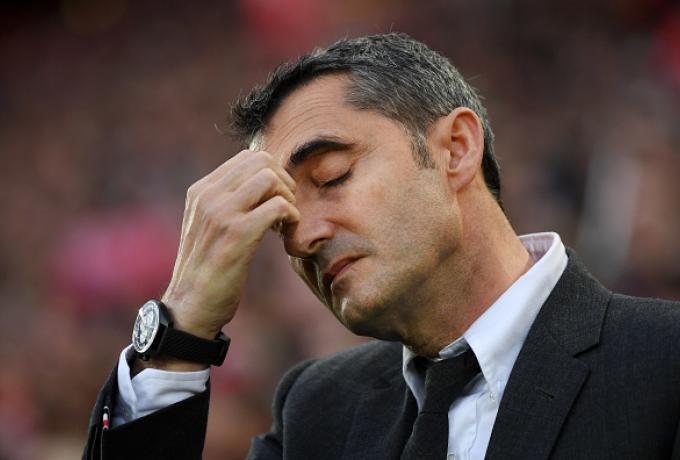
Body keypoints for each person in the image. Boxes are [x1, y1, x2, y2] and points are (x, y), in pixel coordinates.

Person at [83, 33, 680, 460]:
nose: (304, 237)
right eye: (283, 221)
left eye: (332, 176)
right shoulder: (316, 410)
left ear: (456, 149)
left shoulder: (662, 362)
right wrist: (181, 328)